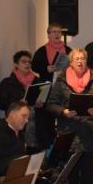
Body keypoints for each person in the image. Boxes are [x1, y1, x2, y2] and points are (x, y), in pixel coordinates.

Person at [46, 48, 93, 184]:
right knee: (71, 170)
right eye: (77, 59)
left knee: (87, 171)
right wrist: (63, 112)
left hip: (89, 130)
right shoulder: (61, 80)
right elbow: (50, 104)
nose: (80, 62)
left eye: (83, 59)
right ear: (71, 62)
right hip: (69, 131)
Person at [32, 23, 71, 153]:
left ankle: (63, 150)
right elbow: (35, 66)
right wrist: (46, 69)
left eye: (59, 32)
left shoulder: (69, 51)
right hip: (46, 89)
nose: (56, 34)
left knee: (64, 120)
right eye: (53, 32)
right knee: (45, 120)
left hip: (64, 90)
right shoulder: (41, 51)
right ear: (48, 35)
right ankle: (47, 151)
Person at [0, 100, 30, 178]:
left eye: (27, 117)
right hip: (1, 180)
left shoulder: (19, 131)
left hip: (17, 175)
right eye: (23, 116)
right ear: (12, 114)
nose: (26, 120)